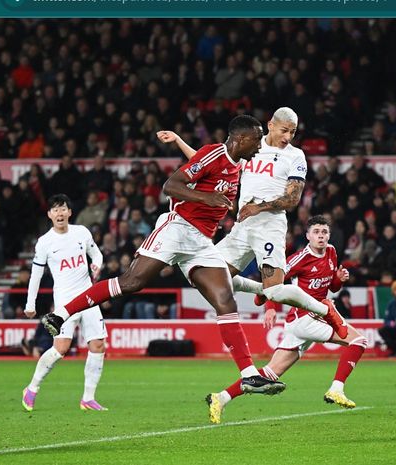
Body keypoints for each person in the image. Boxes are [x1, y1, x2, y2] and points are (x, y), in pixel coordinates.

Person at [42, 115, 284, 395]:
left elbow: (201, 164)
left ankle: (249, 375)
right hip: (177, 228)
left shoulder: (236, 161)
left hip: (201, 242)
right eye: (256, 139)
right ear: (241, 139)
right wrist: (208, 199)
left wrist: (216, 199)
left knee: (225, 300)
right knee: (132, 283)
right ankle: (59, 315)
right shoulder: (214, 153)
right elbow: (171, 186)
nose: (259, 145)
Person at [157, 107, 348, 339]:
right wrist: (178, 140)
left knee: (276, 292)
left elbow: (293, 198)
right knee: (202, 275)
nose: (288, 137)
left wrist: (258, 206)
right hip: (243, 225)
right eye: (284, 130)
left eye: (293, 132)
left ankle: (325, 310)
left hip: (269, 224)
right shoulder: (252, 147)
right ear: (271, 125)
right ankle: (259, 289)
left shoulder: (295, 156)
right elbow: (211, 162)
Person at [206, 216, 367, 424]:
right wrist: (270, 308)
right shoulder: (298, 259)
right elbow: (273, 283)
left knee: (270, 374)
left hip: (307, 319)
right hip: (305, 317)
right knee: (358, 341)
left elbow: (331, 287)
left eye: (324, 232)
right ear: (308, 236)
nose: (321, 236)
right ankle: (336, 389)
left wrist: (339, 279)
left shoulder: (332, 252)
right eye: (316, 232)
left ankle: (220, 398)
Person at [22, 194, 108, 412]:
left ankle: (88, 398)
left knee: (98, 344)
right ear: (49, 215)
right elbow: (36, 275)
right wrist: (30, 304)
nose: (59, 213)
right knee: (60, 348)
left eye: (63, 209)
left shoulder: (82, 232)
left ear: (69, 212)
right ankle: (32, 388)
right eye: (55, 210)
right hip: (64, 302)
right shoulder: (45, 243)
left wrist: (97, 265)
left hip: (89, 297)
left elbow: (96, 254)